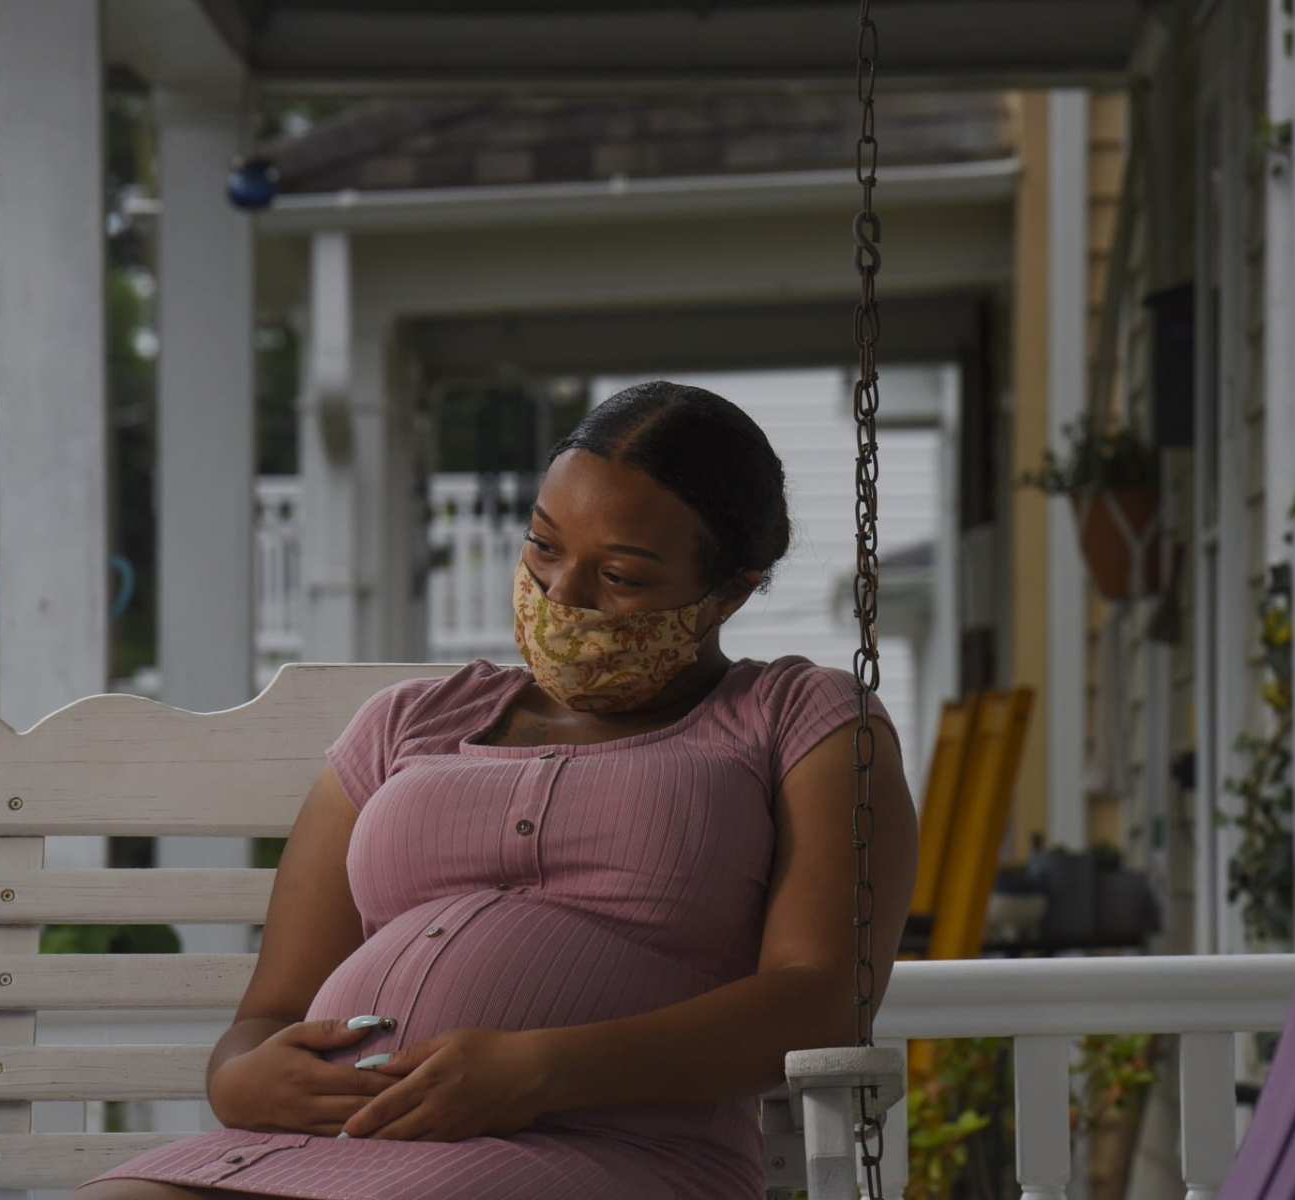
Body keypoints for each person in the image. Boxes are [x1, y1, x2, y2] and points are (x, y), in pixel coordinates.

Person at [76, 380, 919, 1200]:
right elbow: (270, 1012)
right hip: (303, 1149)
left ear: (727, 592)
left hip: (604, 1153)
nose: (562, 595)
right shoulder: (406, 724)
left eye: (620, 575)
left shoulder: (799, 722)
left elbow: (821, 1000)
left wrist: (540, 1070)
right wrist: (238, 1081)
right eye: (545, 546)